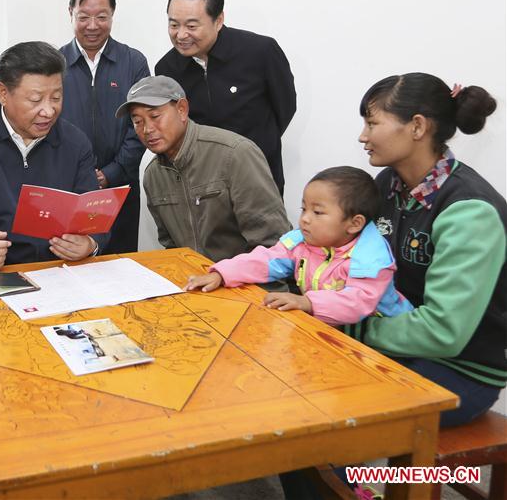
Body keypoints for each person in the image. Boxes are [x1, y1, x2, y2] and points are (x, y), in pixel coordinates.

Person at [350, 72, 505, 424]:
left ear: (417, 127)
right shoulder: (389, 183)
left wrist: (354, 330)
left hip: (461, 371)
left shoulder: (469, 211)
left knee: (330, 413)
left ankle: (351, 479)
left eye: (372, 123)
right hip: (394, 348)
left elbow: (443, 332)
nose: (363, 136)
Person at [0, 41, 107, 272]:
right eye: (36, 100)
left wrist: (90, 243)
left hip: (61, 272)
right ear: (3, 93)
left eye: (56, 97)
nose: (48, 111)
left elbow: (93, 213)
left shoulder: (75, 142)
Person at [185, 166, 414, 325]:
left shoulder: (371, 259)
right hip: (332, 330)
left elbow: (357, 302)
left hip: (388, 341)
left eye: (317, 212)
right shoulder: (303, 242)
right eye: (304, 209)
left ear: (354, 223)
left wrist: (307, 302)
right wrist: (222, 274)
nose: (305, 218)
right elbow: (266, 260)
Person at [116, 75, 291, 265]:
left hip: (248, 284)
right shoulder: (153, 175)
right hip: (195, 283)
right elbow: (172, 246)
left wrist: (227, 276)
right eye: (137, 121)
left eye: (155, 116)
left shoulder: (234, 154)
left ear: (182, 110)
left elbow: (273, 243)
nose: (147, 129)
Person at [154, 0, 296, 195]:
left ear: (218, 20)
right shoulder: (167, 68)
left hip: (259, 178)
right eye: (174, 25)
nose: (181, 35)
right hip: (202, 185)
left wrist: (256, 148)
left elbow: (285, 108)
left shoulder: (261, 52)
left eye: (191, 26)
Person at [59, 0, 149, 253]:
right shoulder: (54, 63)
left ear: (113, 13)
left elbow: (141, 126)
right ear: (70, 13)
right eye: (83, 16)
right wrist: (82, 175)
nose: (93, 26)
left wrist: (110, 173)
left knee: (120, 269)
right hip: (69, 189)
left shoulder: (133, 62)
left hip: (120, 189)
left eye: (102, 16)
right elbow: (47, 124)